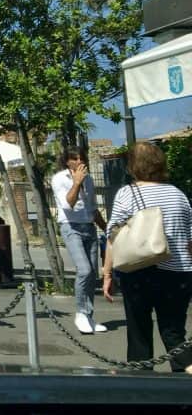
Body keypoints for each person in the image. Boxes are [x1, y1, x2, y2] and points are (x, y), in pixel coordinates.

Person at [104, 142, 192, 374]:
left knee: (139, 330)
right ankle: (187, 374)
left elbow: (113, 237)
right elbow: (190, 239)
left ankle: (142, 383)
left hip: (138, 270)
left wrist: (107, 274)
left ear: (132, 166)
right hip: (179, 272)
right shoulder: (178, 194)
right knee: (174, 331)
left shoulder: (127, 193)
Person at [52, 148, 108, 334]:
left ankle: (89, 316)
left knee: (92, 273)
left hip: (88, 226)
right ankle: (81, 313)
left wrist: (106, 228)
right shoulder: (60, 179)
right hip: (71, 227)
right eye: (74, 159)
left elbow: (92, 208)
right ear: (67, 162)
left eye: (81, 158)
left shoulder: (90, 180)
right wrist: (76, 183)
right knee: (83, 269)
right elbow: (68, 204)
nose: (79, 161)